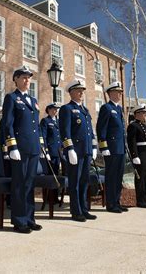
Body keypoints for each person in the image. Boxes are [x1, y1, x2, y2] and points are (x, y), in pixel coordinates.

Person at [2, 66, 45, 234]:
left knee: (30, 184)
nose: (27, 80)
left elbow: (37, 126)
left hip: (33, 148)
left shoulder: (33, 100)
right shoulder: (11, 98)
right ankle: (19, 220)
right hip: (19, 148)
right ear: (16, 79)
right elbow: (8, 124)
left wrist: (41, 145)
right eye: (24, 77)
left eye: (29, 78)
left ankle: (29, 218)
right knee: (19, 185)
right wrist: (12, 146)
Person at [59, 79, 98, 222]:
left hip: (86, 151)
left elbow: (90, 132)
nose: (81, 93)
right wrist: (69, 149)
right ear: (71, 92)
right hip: (75, 152)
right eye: (78, 90)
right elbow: (65, 131)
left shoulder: (85, 111)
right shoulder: (66, 109)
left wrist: (93, 147)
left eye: (82, 90)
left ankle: (84, 209)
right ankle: (76, 211)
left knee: (84, 181)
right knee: (74, 183)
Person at [96, 81, 127, 213]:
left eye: (121, 92)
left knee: (119, 176)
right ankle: (111, 204)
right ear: (110, 93)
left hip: (120, 148)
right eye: (118, 92)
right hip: (111, 148)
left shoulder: (119, 109)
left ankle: (117, 202)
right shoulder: (106, 108)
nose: (120, 94)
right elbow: (101, 129)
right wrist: (104, 147)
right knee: (111, 177)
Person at [127, 104, 146, 209]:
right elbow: (132, 142)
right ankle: (140, 201)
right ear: (137, 114)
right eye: (144, 113)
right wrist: (134, 156)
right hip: (140, 154)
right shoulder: (133, 126)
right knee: (140, 178)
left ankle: (145, 199)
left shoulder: (145, 126)